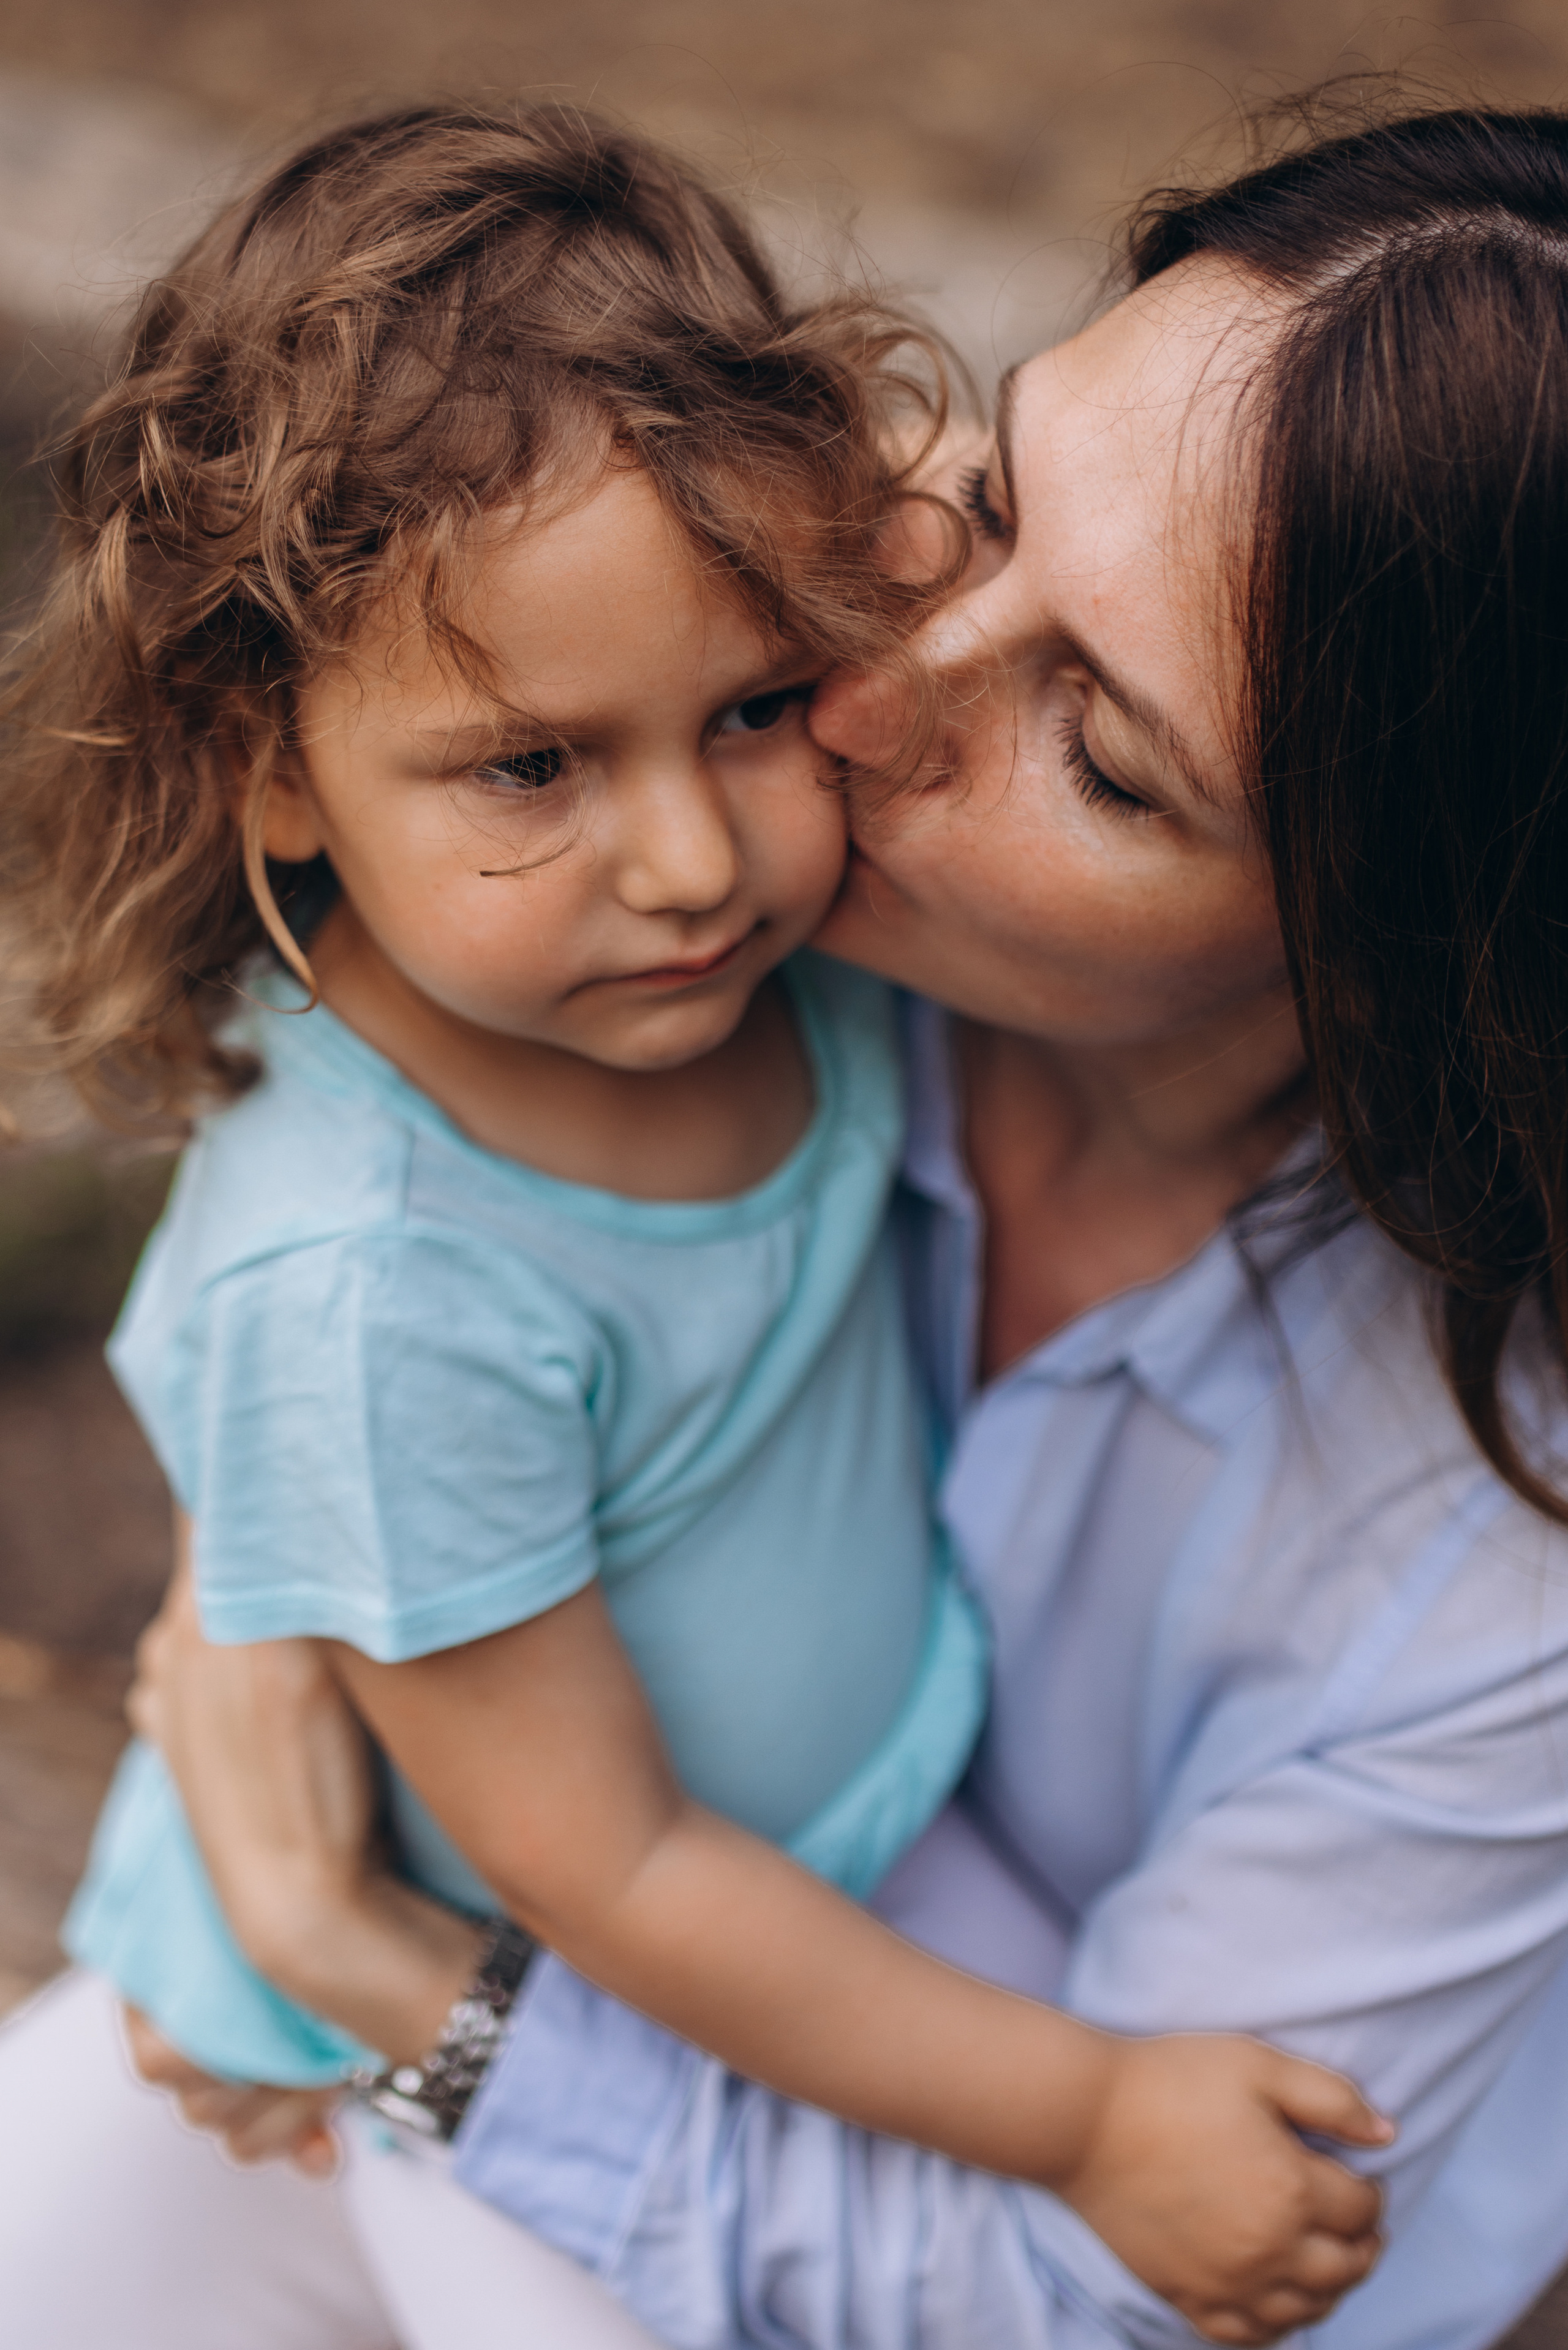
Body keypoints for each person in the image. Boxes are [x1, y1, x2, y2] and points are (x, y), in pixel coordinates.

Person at [63, 95, 1568, 2350]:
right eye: (991, 502)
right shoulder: (726, 964)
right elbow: (357, 1291)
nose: (849, 698)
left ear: (1404, 952)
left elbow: (1091, 2294)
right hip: (505, 1997)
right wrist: (274, 1568)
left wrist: (390, 1984)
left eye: (1111, 757)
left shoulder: (1481, 1575)